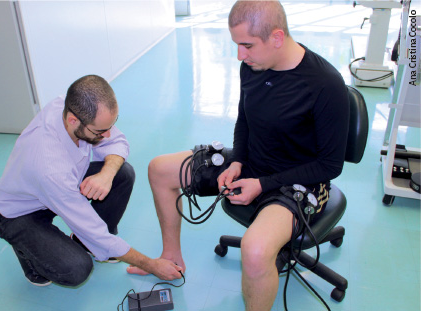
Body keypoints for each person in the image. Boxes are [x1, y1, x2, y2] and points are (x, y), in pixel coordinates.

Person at [137, 1, 350, 310]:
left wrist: (262, 184)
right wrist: (237, 161)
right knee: (159, 169)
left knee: (254, 249)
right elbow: (245, 120)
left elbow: (330, 165)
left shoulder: (325, 85)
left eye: (247, 45)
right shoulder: (252, 65)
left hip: (299, 180)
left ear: (277, 38)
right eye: (237, 45)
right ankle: (171, 258)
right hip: (252, 161)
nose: (240, 55)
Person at [0, 75, 184, 287]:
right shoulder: (50, 166)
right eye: (100, 131)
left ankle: (85, 244)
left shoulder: (74, 107)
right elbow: (94, 231)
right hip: (20, 213)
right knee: (76, 268)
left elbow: (118, 142)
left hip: (60, 185)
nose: (108, 134)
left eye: (111, 125)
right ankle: (26, 251)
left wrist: (106, 175)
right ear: (73, 120)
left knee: (122, 173)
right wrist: (152, 265)